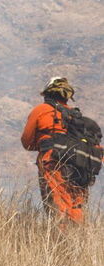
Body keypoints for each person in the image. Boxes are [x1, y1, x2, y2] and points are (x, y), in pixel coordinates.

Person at [21, 77, 102, 224]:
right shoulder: (76, 117)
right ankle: (80, 240)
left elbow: (26, 142)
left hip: (53, 163)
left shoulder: (41, 110)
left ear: (48, 93)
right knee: (76, 206)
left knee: (58, 206)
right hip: (80, 165)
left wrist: (43, 144)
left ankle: (62, 243)